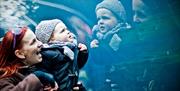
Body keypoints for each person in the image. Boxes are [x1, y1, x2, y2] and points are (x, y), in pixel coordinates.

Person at [35, 19, 88, 91]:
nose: (68, 32)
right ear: (51, 39)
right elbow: (42, 73)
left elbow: (76, 66)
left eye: (66, 29)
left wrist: (83, 53)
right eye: (62, 31)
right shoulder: (48, 54)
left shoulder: (69, 49)